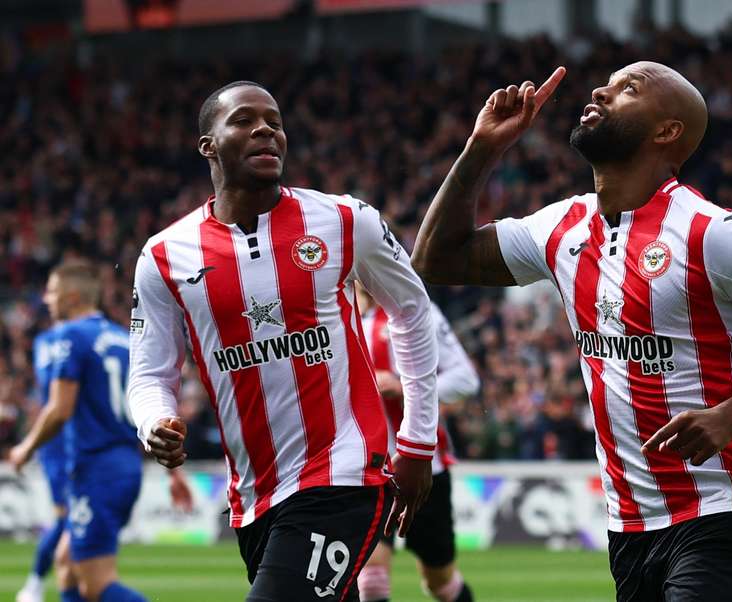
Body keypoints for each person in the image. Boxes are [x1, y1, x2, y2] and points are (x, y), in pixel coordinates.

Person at [412, 63, 732, 600]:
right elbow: (435, 259)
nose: (601, 90)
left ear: (666, 131)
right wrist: (482, 147)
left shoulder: (715, 232)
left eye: (629, 88)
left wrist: (729, 416)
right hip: (629, 526)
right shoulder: (560, 227)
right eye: (609, 83)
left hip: (727, 511)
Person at [127, 80, 439, 602]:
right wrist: (154, 422)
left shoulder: (345, 220)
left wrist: (418, 441)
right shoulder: (163, 257)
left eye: (274, 121)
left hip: (342, 475)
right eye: (244, 121)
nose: (265, 130)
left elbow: (411, 309)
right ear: (208, 146)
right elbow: (149, 374)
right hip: (255, 495)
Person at [9, 261, 168, 602]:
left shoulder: (70, 335)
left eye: (53, 292)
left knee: (96, 583)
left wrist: (26, 448)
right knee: (66, 564)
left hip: (97, 467)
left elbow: (59, 409)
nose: (47, 299)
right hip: (125, 462)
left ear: (73, 296)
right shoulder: (122, 339)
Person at [356, 286, 478, 602]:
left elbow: (465, 379)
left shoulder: (419, 310)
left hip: (422, 468)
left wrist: (402, 387)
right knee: (371, 579)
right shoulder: (335, 312)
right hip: (365, 469)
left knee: (440, 582)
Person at [15, 322, 70, 602]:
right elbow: (57, 398)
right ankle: (34, 584)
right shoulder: (50, 341)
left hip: (77, 442)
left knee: (76, 521)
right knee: (67, 519)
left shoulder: (46, 341)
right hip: (60, 444)